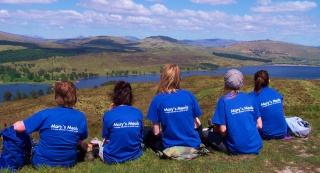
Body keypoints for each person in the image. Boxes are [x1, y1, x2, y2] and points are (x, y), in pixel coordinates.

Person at [13, 81, 89, 168]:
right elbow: (79, 141)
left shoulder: (46, 114)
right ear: (74, 97)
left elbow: (18, 128)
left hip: (41, 162)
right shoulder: (81, 117)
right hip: (69, 162)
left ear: (57, 97)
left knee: (28, 139)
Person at [145, 64, 203, 152]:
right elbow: (197, 124)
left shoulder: (157, 99)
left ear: (163, 78)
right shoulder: (189, 95)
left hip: (170, 146)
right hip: (193, 144)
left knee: (147, 134)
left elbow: (156, 133)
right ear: (179, 78)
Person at [204, 69, 263, 154]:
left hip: (236, 148)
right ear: (242, 83)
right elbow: (259, 124)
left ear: (226, 83)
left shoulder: (223, 100)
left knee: (205, 134)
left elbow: (223, 131)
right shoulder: (250, 98)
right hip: (256, 145)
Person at [98, 80, 144, 164]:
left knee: (100, 143)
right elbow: (140, 136)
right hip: (135, 154)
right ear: (130, 96)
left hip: (111, 158)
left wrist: (110, 111)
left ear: (115, 95)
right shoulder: (138, 113)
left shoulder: (108, 114)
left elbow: (106, 138)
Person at [249, 70, 287, 139]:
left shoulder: (251, 97)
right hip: (283, 131)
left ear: (254, 82)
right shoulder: (277, 94)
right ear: (269, 80)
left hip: (266, 134)